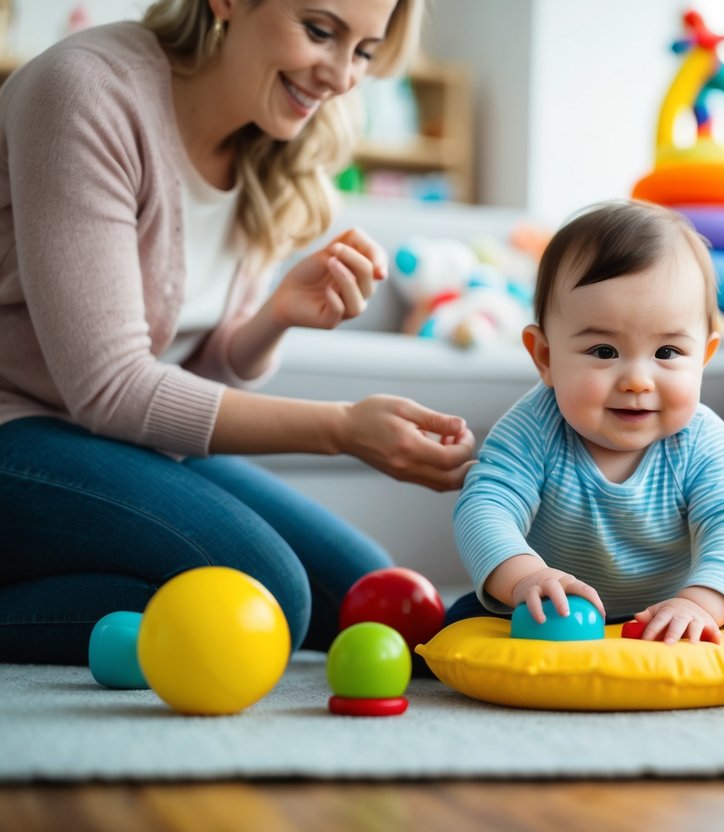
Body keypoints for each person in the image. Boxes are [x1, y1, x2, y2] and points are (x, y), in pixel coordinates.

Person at [0, 0, 476, 664]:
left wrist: (272, 319)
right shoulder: (86, 91)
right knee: (267, 594)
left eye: (364, 51)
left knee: (377, 596)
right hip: (16, 432)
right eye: (318, 31)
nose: (341, 78)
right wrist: (340, 429)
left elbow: (182, 389)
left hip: (111, 441)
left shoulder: (274, 134)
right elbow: (110, 389)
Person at [449, 200, 724, 682]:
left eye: (668, 352)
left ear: (705, 356)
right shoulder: (533, 427)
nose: (637, 380)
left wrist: (700, 603)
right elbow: (485, 505)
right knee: (457, 622)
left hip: (674, 607)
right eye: (604, 351)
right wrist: (525, 577)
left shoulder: (702, 441)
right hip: (551, 610)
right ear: (544, 356)